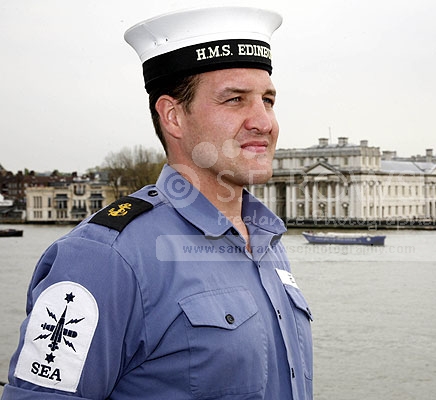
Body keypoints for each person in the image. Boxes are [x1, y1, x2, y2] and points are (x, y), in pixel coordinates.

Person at [1, 6, 313, 400]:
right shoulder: (105, 258)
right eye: (235, 100)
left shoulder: (267, 242)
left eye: (268, 100)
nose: (264, 122)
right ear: (173, 117)